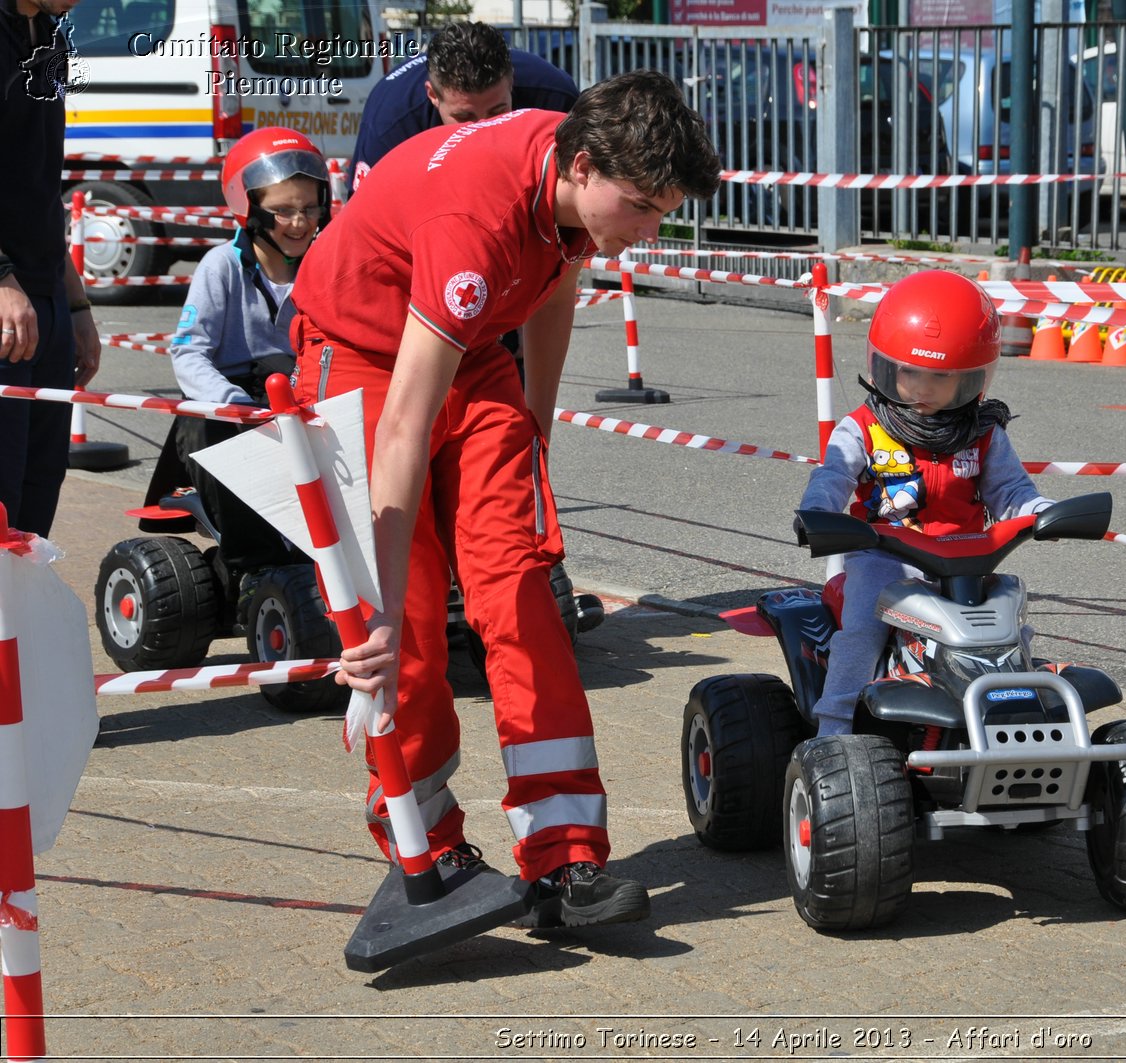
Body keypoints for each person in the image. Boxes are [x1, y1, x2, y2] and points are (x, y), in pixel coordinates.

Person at [288, 69, 722, 929]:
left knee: (520, 592)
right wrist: (371, 598)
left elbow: (556, 283)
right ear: (584, 165)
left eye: (662, 212)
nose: (647, 231)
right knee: (401, 623)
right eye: (641, 207)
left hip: (473, 354)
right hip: (365, 361)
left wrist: (535, 436)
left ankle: (567, 859)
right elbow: (406, 422)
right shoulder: (473, 228)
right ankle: (425, 837)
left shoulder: (566, 178)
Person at [795, 270, 1055, 737]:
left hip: (967, 560)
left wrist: (1040, 512)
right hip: (886, 556)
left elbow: (1013, 492)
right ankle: (833, 730)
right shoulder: (863, 427)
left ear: (972, 378)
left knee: (1013, 632)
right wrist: (819, 511)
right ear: (886, 366)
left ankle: (1021, 725)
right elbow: (833, 474)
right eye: (911, 372)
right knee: (860, 631)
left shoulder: (984, 433)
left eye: (940, 377)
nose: (922, 388)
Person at [148, 127, 329, 571]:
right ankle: (252, 569)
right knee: (216, 439)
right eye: (282, 211)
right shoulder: (221, 267)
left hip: (300, 396)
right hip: (235, 405)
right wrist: (232, 404)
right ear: (248, 209)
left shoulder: (326, 265)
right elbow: (189, 352)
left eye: (308, 208)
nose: (300, 223)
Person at [0, 0, 100, 536]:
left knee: (38, 498)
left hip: (45, 298)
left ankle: (21, 620)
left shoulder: (53, 37)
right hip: (5, 300)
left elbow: (41, 186)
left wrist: (76, 301)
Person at [349, 20, 577, 195]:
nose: (483, 132)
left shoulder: (553, 99)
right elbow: (362, 226)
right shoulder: (390, 125)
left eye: (497, 112)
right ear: (433, 96)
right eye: (465, 117)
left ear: (511, 83)